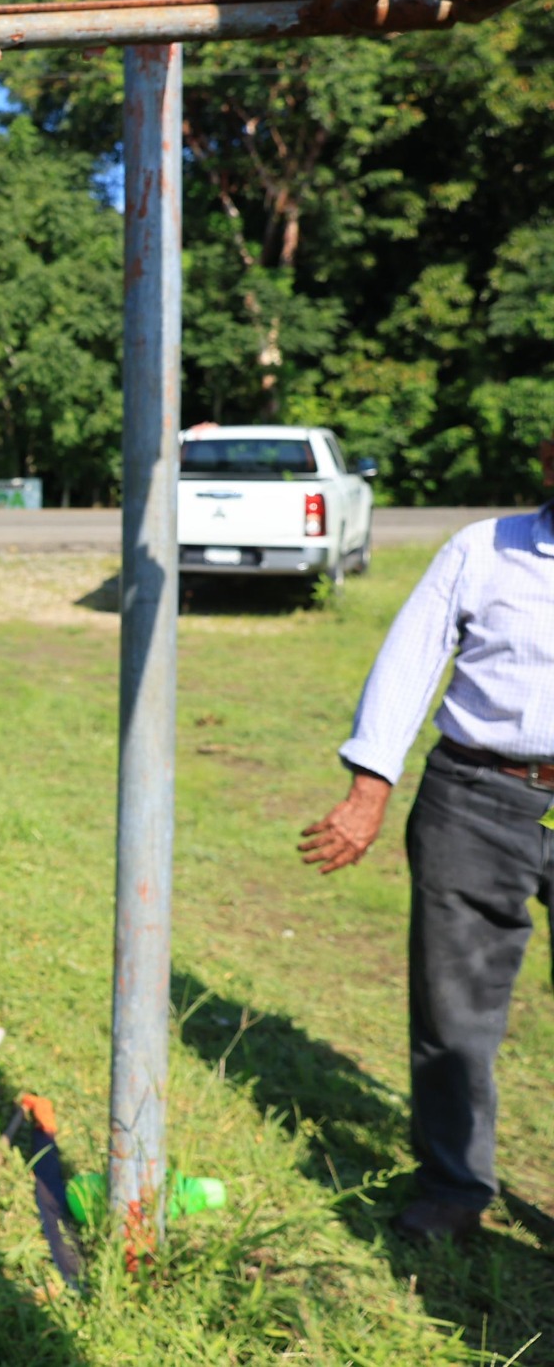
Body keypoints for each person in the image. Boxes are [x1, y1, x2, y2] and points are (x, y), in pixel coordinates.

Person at [302, 448, 554, 1242]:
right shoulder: (483, 549)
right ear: (548, 463)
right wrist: (368, 788)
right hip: (478, 796)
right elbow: (409, 659)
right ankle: (454, 1185)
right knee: (454, 1009)